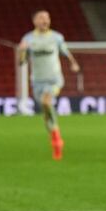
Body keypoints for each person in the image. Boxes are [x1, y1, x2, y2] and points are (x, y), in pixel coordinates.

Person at [18, 10, 81, 160]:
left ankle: (57, 139)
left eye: (47, 18)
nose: (45, 20)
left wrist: (74, 64)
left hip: (54, 79)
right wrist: (22, 50)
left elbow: (65, 52)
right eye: (41, 18)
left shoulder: (56, 37)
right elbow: (22, 62)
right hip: (37, 81)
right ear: (35, 21)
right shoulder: (28, 39)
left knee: (47, 101)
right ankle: (55, 138)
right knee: (46, 114)